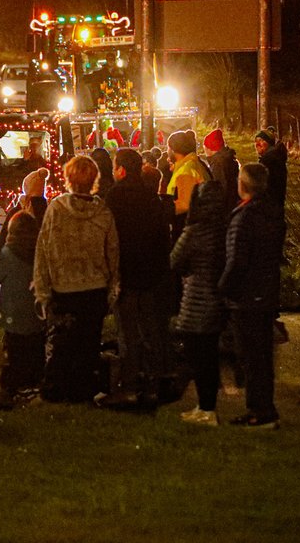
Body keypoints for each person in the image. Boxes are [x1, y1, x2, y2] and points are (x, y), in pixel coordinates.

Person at [33, 155, 120, 403]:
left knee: (61, 340)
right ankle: (84, 389)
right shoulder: (102, 212)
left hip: (63, 286)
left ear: (68, 178)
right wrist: (113, 286)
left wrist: (42, 289)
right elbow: (112, 251)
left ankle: (58, 388)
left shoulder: (57, 209)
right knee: (89, 342)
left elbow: (43, 250)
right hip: (95, 286)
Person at [101, 148, 173, 406]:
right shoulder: (150, 196)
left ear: (120, 169)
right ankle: (154, 381)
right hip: (151, 273)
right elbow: (161, 235)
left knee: (128, 332)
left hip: (127, 273)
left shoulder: (115, 196)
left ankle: (130, 385)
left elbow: (110, 236)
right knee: (151, 328)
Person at [219, 163, 287, 429]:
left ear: (243, 185)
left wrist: (223, 289)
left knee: (250, 357)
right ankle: (264, 407)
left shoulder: (244, 218)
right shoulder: (273, 213)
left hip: (246, 296)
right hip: (267, 292)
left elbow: (237, 260)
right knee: (263, 357)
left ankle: (259, 411)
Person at [170, 180, 228, 426]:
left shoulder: (194, 231)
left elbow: (175, 260)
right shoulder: (224, 231)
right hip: (218, 301)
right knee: (209, 356)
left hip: (196, 300)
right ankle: (206, 406)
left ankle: (206, 408)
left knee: (197, 355)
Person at [0, 211, 44, 404]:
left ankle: (14, 383)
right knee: (35, 346)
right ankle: (34, 381)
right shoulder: (39, 251)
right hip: (36, 310)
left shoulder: (8, 253)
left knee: (14, 349)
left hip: (12, 311)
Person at [166, 130, 210, 240]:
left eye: (168, 148)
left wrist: (163, 211)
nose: (167, 151)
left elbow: (185, 204)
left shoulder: (186, 170)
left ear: (174, 149)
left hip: (186, 229)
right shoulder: (194, 164)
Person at [203, 128, 240, 213]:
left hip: (225, 208)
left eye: (204, 147)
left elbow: (220, 187)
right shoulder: (228, 159)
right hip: (233, 204)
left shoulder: (218, 164)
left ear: (209, 148)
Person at [254, 129, 288, 208]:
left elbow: (262, 187)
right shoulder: (274, 156)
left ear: (269, 143)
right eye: (256, 141)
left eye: (261, 140)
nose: (257, 144)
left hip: (269, 208)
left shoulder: (269, 160)